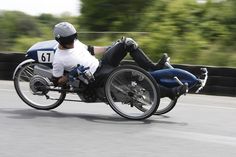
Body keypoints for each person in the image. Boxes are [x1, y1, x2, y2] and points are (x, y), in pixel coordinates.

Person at [52, 22, 187, 99]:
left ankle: (153, 67)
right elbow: (58, 81)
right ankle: (171, 93)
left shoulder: (74, 42)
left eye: (73, 37)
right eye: (69, 40)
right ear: (61, 40)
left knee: (127, 43)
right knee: (130, 75)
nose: (73, 41)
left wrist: (111, 47)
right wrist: (71, 75)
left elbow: (91, 49)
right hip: (95, 77)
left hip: (102, 64)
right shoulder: (59, 59)